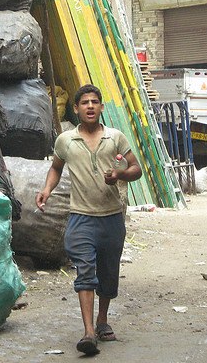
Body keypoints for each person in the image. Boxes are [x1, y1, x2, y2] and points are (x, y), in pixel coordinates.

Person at [35, 84, 143, 356]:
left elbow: (136, 168)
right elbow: (55, 168)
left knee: (108, 273)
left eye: (95, 102)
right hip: (81, 218)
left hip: (111, 218)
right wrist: (47, 190)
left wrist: (119, 175)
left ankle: (102, 320)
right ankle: (88, 333)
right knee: (85, 271)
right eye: (85, 103)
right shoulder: (66, 141)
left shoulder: (115, 138)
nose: (90, 106)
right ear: (76, 108)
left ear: (101, 107)